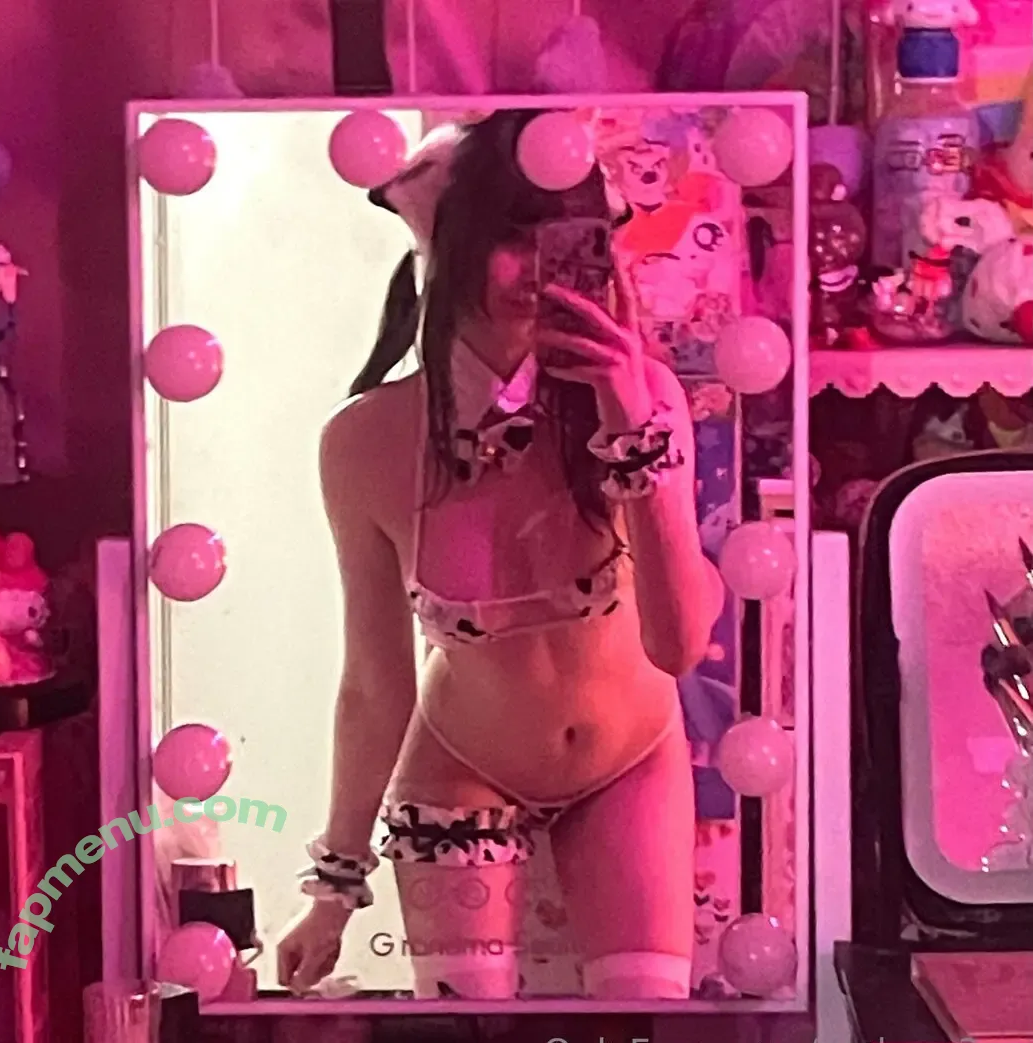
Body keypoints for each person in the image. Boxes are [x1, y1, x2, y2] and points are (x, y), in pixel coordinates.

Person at [277, 109, 723, 1001]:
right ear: (451, 246)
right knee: (467, 1032)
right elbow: (374, 681)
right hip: (458, 761)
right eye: (510, 238)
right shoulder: (365, 441)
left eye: (564, 241)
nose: (536, 268)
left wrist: (631, 420)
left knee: (640, 1024)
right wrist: (334, 884)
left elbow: (678, 646)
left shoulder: (643, 399)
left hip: (629, 756)